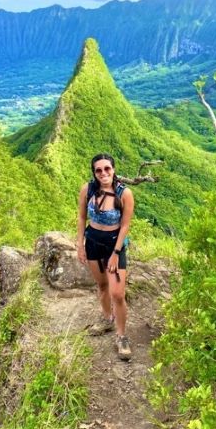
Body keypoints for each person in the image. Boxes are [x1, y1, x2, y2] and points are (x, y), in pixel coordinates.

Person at [77, 153, 134, 360]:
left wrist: (116, 253)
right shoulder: (88, 190)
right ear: (94, 172)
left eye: (107, 169)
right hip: (92, 243)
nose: (103, 173)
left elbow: (125, 225)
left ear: (114, 169)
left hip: (113, 246)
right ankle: (107, 318)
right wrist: (80, 244)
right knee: (102, 286)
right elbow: (82, 217)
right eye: (98, 170)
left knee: (117, 294)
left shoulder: (124, 193)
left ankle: (121, 336)